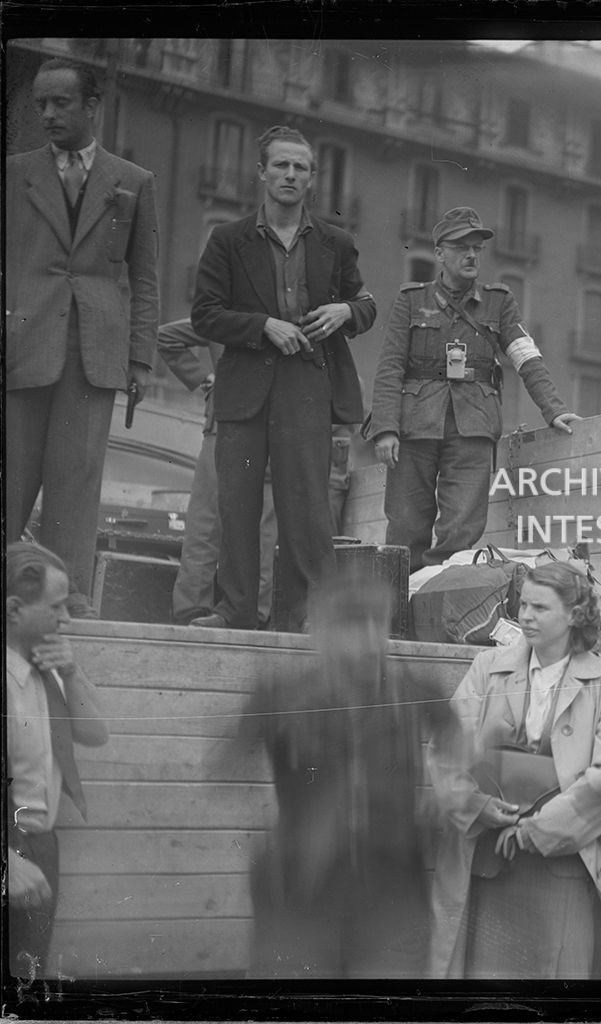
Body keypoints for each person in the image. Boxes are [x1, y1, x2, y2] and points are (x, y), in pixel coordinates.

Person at [189, 126, 376, 632]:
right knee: (237, 508)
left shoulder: (336, 243)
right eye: (281, 165)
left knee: (306, 511)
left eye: (300, 168)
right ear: (262, 173)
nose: (290, 175)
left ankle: (303, 617)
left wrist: (344, 312)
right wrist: (261, 326)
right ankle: (234, 612)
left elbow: (366, 306)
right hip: (243, 390)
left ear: (312, 179)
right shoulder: (228, 240)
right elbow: (205, 314)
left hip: (307, 390)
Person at [428, 561, 601, 979]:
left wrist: (534, 831)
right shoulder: (486, 668)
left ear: (574, 614)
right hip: (489, 860)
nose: (526, 616)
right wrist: (476, 805)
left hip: (565, 864)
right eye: (523, 605)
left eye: (540, 608)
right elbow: (446, 752)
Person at [240, 572, 448, 977]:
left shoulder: (415, 688)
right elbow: (225, 765)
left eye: (378, 623)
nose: (370, 640)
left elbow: (456, 743)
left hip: (393, 893)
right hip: (302, 896)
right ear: (324, 632)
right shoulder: (282, 694)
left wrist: (447, 793)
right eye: (354, 625)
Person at [6, 59, 160, 599]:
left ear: (93, 107)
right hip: (22, 350)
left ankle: (65, 600)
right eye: (40, 103)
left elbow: (144, 277)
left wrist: (140, 359)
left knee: (76, 485)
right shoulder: (13, 172)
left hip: (94, 354)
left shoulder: (133, 182)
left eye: (60, 103)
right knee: (12, 481)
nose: (47, 113)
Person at [368, 207, 580, 569]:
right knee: (405, 529)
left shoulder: (500, 302)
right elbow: (390, 367)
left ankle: (437, 609)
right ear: (439, 254)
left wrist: (554, 408)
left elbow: (525, 357)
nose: (471, 255)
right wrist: (385, 429)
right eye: (461, 247)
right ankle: (400, 616)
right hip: (414, 426)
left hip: (473, 428)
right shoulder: (411, 300)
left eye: (477, 248)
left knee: (461, 534)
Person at [6, 542, 109, 978]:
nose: (66, 619)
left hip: (41, 848)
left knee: (27, 976)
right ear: (14, 610)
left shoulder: (47, 666)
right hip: (10, 852)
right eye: (56, 608)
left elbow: (95, 733)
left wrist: (71, 671)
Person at [157, 318, 276, 626]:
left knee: (253, 528)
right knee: (209, 524)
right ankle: (195, 612)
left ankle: (241, 614)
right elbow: (167, 337)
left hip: (262, 428)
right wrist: (206, 379)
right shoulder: (223, 314)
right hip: (227, 425)